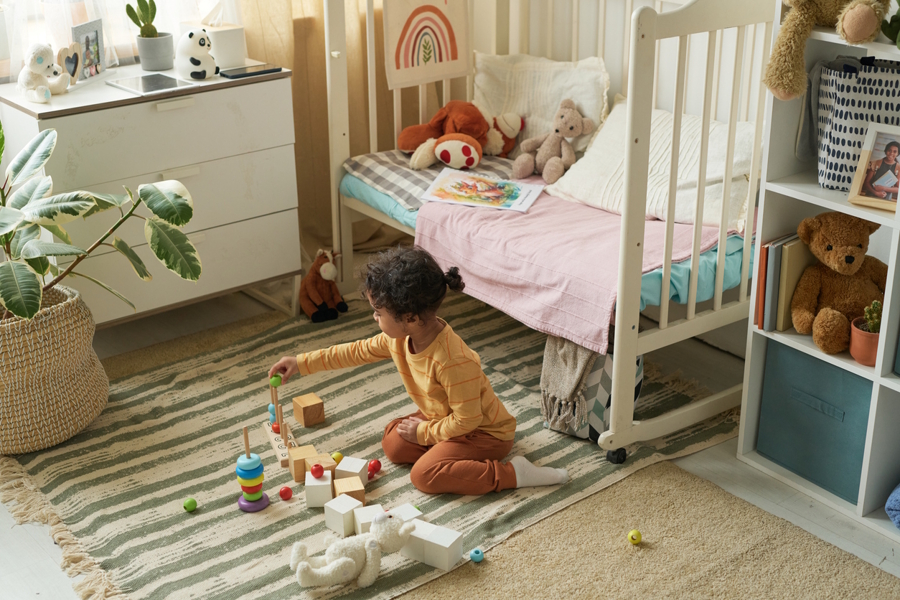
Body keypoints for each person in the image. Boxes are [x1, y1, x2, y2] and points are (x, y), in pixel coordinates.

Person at [268, 246, 568, 495]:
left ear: (410, 317)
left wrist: (424, 432)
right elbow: (354, 351)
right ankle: (447, 457)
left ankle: (513, 473)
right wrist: (301, 362)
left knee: (424, 477)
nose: (374, 318)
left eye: (378, 313)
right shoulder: (400, 338)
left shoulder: (453, 360)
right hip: (444, 419)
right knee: (393, 444)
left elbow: (468, 420)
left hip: (483, 433)